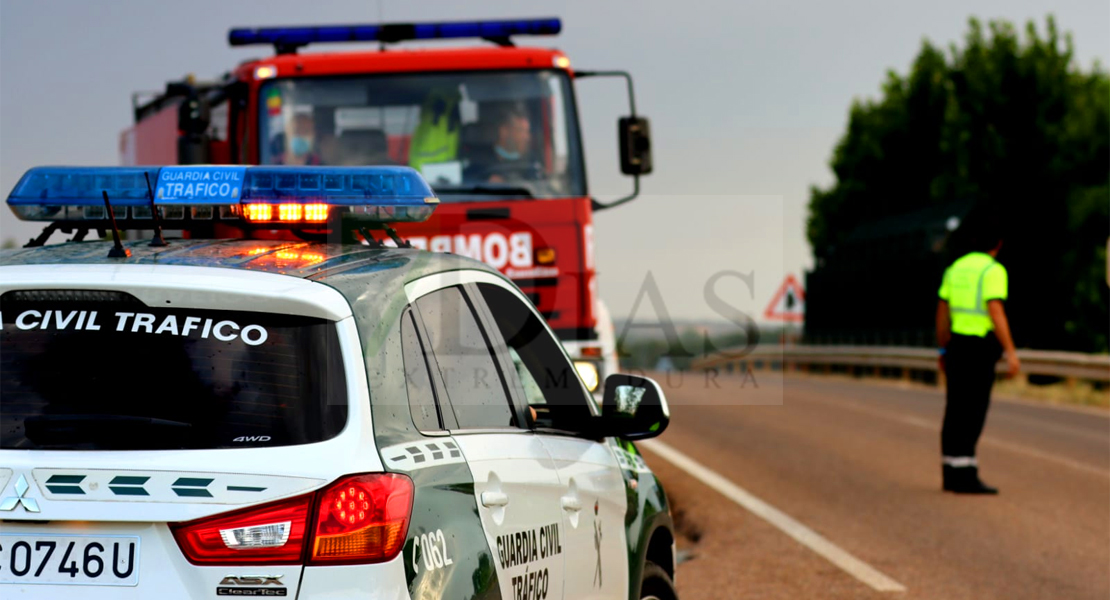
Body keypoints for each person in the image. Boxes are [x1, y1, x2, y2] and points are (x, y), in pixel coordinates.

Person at [936, 219, 1020, 494]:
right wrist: (1010, 351)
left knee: (954, 408)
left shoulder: (955, 268)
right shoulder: (993, 271)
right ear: (997, 244)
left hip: (957, 345)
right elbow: (995, 310)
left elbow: (942, 311)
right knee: (973, 410)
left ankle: (951, 471)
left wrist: (942, 348)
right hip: (980, 349)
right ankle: (966, 475)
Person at [464, 104, 536, 184]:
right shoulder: (479, 161)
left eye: (527, 132)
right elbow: (466, 184)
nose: (527, 137)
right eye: (521, 131)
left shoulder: (533, 164)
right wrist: (487, 182)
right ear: (503, 131)